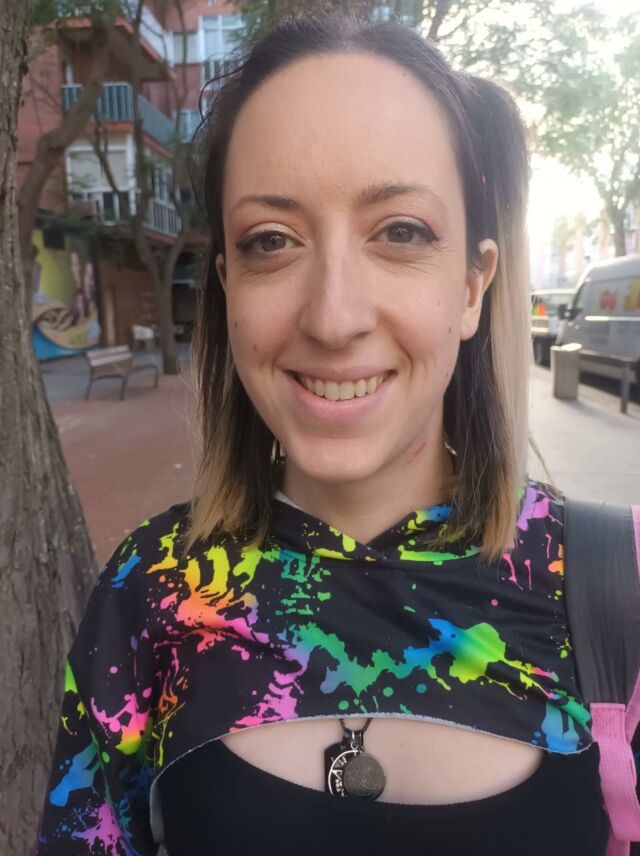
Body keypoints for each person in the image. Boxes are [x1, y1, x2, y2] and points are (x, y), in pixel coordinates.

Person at [38, 13, 615, 855]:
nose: (333, 317)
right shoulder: (150, 592)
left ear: (471, 286)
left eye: (401, 232)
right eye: (272, 241)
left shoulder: (608, 588)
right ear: (228, 288)